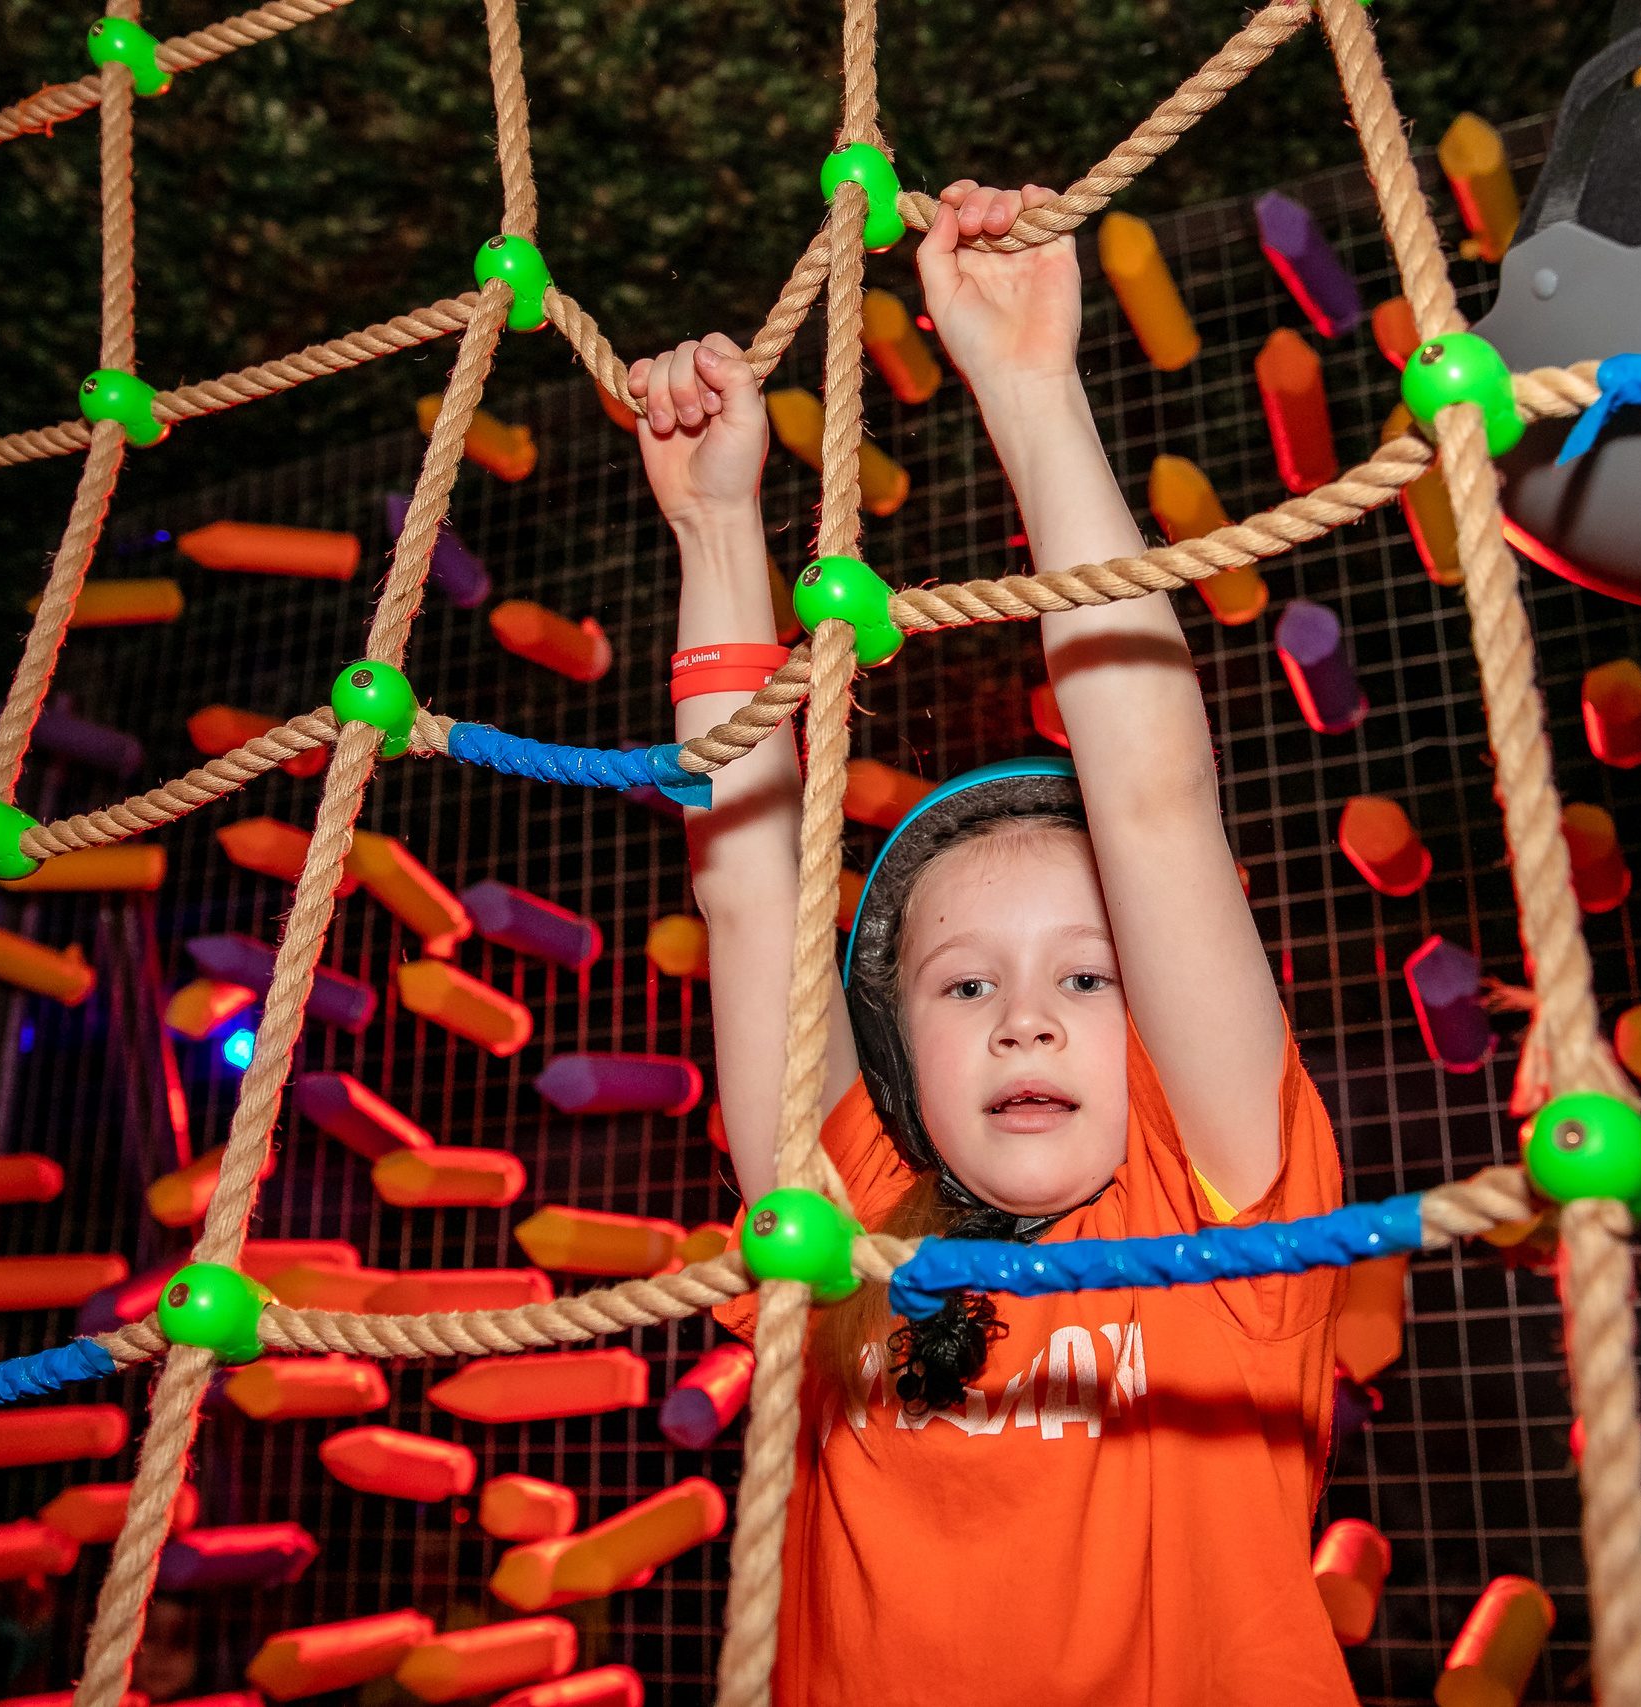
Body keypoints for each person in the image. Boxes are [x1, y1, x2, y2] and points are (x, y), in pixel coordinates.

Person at [630, 180, 1355, 1704]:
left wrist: (1030, 388)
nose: (1026, 1020)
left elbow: (1152, 796)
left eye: (1087, 976)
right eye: (967, 985)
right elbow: (751, 892)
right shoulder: (838, 1225)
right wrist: (711, 528)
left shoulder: (1218, 1209)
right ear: (898, 1054)